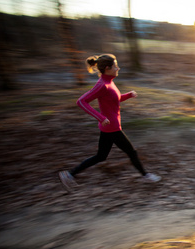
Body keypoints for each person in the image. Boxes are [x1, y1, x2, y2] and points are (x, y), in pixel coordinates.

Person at [59, 54, 161, 191]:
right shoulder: (102, 85)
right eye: (115, 66)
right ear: (107, 68)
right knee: (132, 152)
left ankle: (69, 174)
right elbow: (81, 101)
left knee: (101, 156)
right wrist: (101, 117)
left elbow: (115, 99)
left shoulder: (109, 82)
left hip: (109, 127)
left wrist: (128, 95)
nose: (118, 68)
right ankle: (146, 175)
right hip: (112, 128)